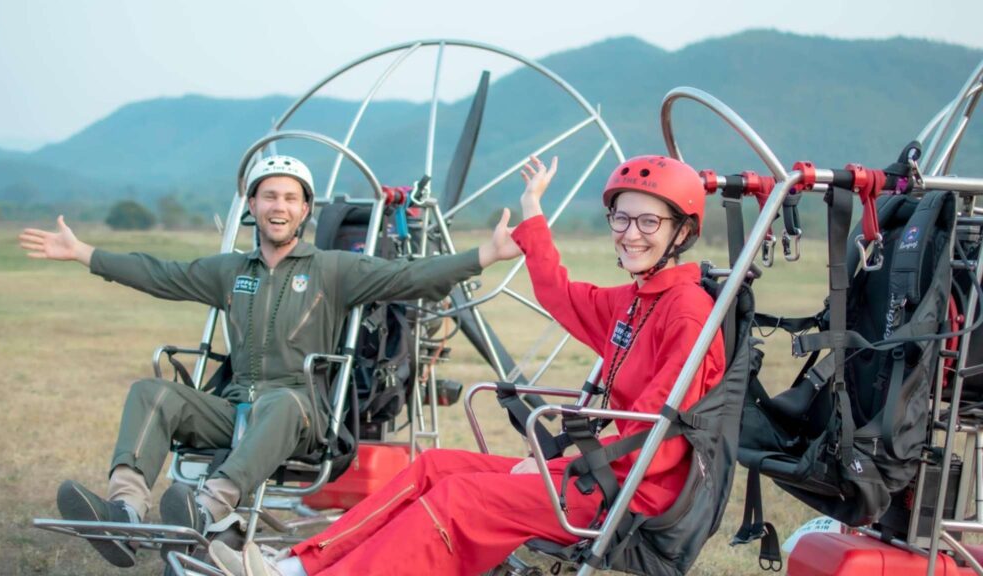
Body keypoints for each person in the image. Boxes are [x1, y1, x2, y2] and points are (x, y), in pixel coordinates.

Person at [209, 154, 726, 576]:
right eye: (621, 217)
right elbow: (560, 293)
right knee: (435, 466)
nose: (631, 233)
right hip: (599, 476)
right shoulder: (636, 301)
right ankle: (297, 566)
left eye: (649, 221)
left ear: (682, 232)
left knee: (462, 497)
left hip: (633, 494)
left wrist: (563, 467)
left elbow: (659, 436)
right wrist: (533, 212)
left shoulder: (686, 313)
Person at [18, 154, 515, 568]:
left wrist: (485, 254)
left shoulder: (334, 269)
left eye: (290, 198)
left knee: (280, 401)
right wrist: (84, 252)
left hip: (303, 417)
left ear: (305, 210)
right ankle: (125, 513)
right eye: (269, 196)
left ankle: (207, 507)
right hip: (235, 408)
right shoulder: (231, 270)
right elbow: (158, 274)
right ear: (252, 205)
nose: (279, 206)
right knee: (152, 392)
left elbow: (411, 277)